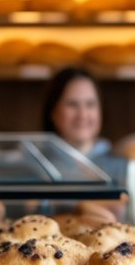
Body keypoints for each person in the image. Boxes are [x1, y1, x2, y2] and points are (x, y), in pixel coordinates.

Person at [39, 66, 128, 220]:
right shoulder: (35, 165)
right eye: (72, 104)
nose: (82, 114)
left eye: (90, 104)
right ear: (53, 112)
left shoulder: (121, 166)